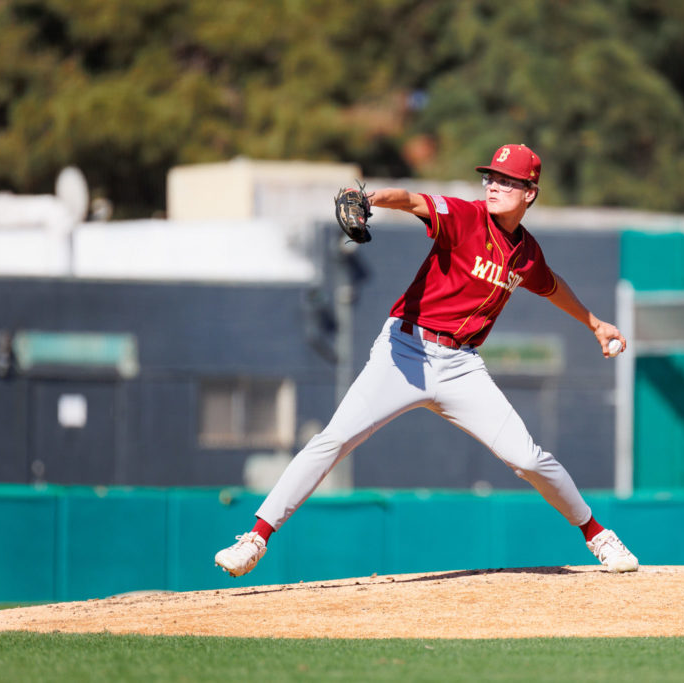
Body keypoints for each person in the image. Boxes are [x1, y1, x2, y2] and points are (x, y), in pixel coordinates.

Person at [215, 143, 638, 577]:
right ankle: (255, 538)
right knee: (335, 439)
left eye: (507, 181)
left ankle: (598, 535)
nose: (494, 186)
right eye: (491, 177)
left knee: (529, 460)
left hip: (461, 366)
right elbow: (412, 200)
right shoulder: (466, 216)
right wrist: (370, 198)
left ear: (530, 193)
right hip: (405, 351)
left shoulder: (527, 253)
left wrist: (594, 323)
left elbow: (551, 285)